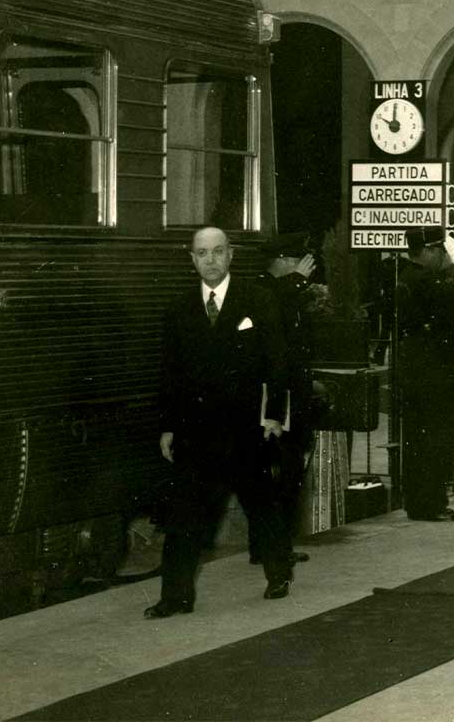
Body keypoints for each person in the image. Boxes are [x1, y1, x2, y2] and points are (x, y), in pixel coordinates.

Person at [147, 226, 291, 617]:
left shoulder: (257, 299)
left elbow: (278, 362)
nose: (210, 260)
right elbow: (169, 372)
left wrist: (274, 416)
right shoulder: (179, 308)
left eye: (217, 251)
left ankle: (279, 574)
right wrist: (168, 426)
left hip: (247, 426)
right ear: (192, 259)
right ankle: (175, 596)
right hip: (196, 429)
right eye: (202, 253)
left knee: (261, 504)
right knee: (184, 514)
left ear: (230, 255)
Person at [395, 226, 454, 523]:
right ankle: (430, 503)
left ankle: (420, 502)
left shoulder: (410, 277)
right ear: (428, 251)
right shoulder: (423, 280)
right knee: (434, 440)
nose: (444, 258)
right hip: (433, 373)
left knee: (418, 440)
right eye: (441, 251)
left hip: (421, 371)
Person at [258, 233, 319, 569]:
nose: (303, 269)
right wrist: (295, 282)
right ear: (282, 261)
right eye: (297, 261)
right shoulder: (266, 289)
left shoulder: (287, 291)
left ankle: (275, 544)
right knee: (279, 473)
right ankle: (272, 546)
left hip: (292, 395)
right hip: (275, 400)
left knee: (289, 471)